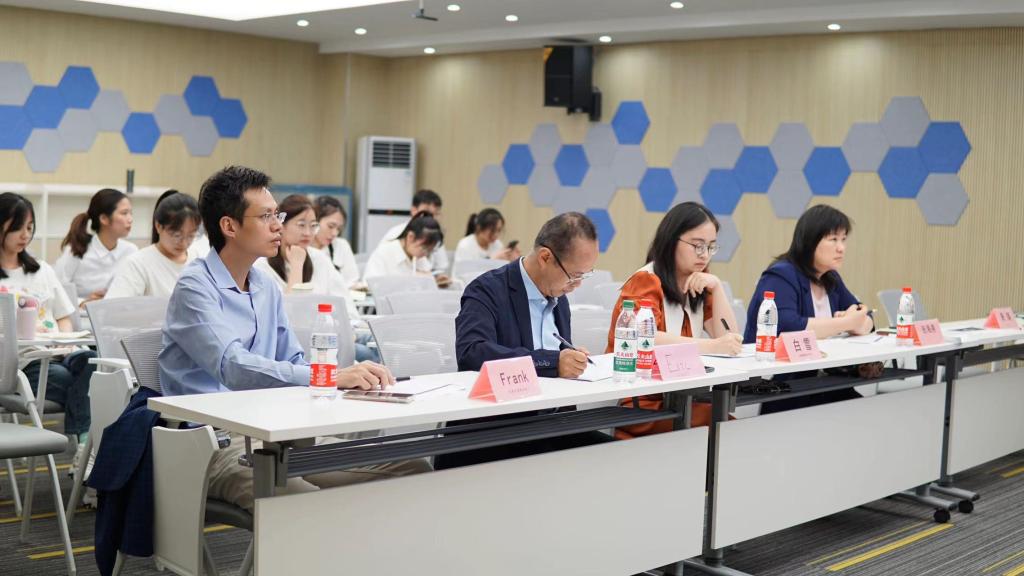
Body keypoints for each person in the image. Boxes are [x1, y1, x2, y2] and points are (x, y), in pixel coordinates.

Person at [159, 165, 428, 513]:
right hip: (216, 442)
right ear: (229, 226)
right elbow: (234, 368)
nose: (277, 226)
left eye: (278, 215)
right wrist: (328, 377)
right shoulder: (195, 286)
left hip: (275, 429)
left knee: (412, 468)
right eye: (266, 216)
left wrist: (347, 381)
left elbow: (295, 361)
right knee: (305, 505)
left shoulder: (264, 286)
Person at [441, 212, 609, 469]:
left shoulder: (559, 297)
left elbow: (556, 354)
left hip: (552, 424)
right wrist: (553, 362)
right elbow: (472, 353)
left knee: (618, 456)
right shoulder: (487, 290)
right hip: (497, 430)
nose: (576, 285)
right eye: (574, 275)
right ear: (545, 257)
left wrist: (571, 357)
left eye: (584, 276)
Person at [607, 202, 742, 436]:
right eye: (697, 245)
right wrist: (711, 346)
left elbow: (729, 339)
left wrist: (717, 288)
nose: (704, 255)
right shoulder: (646, 280)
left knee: (724, 422)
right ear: (671, 241)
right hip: (641, 401)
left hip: (681, 396)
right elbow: (644, 338)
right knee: (722, 424)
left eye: (711, 247)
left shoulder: (699, 282)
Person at [743, 204, 874, 413]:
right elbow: (789, 326)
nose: (841, 248)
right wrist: (845, 323)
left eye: (843, 239)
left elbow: (866, 317)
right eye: (833, 239)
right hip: (786, 386)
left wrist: (857, 323)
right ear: (810, 240)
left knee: (866, 413)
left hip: (826, 383)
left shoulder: (830, 277)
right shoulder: (781, 275)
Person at [0, 192, 96, 448]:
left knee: (94, 362)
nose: (25, 235)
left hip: (60, 354)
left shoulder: (42, 270)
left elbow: (63, 317)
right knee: (94, 388)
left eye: (29, 228)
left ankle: (84, 445)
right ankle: (84, 444)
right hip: (23, 363)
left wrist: (64, 343)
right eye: (17, 228)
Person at [252, 195, 376, 362]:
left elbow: (345, 306)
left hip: (332, 337)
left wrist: (347, 331)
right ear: (282, 225)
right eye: (301, 225)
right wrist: (297, 266)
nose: (308, 233)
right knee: (367, 354)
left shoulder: (319, 259)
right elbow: (287, 318)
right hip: (295, 346)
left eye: (313, 225)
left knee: (378, 342)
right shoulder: (262, 265)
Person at [106, 191, 200, 299]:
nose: (184, 243)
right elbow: (114, 305)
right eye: (177, 235)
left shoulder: (198, 260)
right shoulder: (138, 264)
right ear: (158, 226)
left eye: (191, 236)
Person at [55, 188, 137, 303]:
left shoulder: (131, 251)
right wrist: (83, 302)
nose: (130, 219)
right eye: (124, 213)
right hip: (81, 313)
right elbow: (55, 290)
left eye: (130, 213)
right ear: (104, 219)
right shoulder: (77, 250)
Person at [378, 189, 449, 284]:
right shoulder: (394, 235)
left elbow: (440, 267)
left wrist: (437, 278)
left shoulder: (434, 234)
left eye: (436, 214)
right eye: (426, 213)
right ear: (413, 210)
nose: (431, 217)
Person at [362, 213, 443, 280]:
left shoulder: (420, 258)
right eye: (424, 248)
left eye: (430, 251)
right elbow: (370, 286)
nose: (425, 254)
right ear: (410, 237)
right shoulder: (384, 254)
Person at [310, 195, 359, 288]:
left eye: (339, 229)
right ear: (314, 221)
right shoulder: (301, 249)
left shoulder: (342, 246)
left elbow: (352, 282)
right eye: (331, 226)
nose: (335, 233)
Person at [453, 208, 519, 263]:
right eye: (492, 230)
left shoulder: (497, 244)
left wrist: (510, 260)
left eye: (499, 230)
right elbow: (468, 272)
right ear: (479, 227)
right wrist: (493, 260)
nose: (496, 234)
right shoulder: (465, 245)